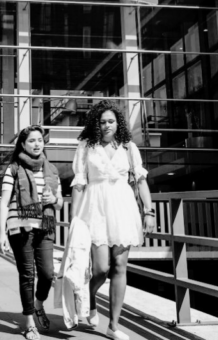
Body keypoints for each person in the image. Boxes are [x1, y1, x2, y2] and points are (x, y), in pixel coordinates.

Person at [69, 101, 155, 340]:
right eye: (102, 121)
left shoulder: (128, 147)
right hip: (94, 208)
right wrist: (75, 219)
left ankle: (114, 326)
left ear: (118, 123)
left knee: (119, 267)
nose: (106, 125)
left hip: (123, 208)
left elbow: (140, 181)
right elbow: (79, 183)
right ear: (95, 123)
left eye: (111, 121)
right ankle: (88, 295)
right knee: (101, 268)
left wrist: (149, 212)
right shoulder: (86, 146)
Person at [0, 125, 62, 340]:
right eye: (32, 141)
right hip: (20, 229)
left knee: (47, 274)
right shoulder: (13, 169)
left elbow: (60, 202)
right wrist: (1, 233)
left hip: (45, 227)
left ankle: (38, 305)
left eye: (40, 140)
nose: (37, 144)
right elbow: (4, 203)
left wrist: (53, 200)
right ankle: (29, 323)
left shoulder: (51, 170)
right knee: (27, 276)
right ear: (23, 145)